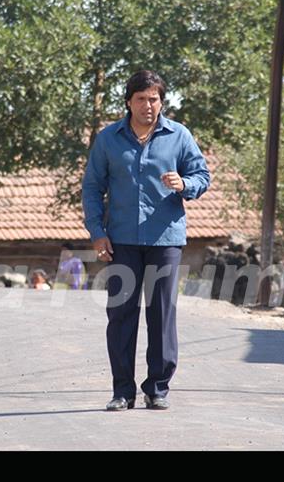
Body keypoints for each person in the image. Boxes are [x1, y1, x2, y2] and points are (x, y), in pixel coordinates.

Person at [82, 70, 211, 411]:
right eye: (141, 99)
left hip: (165, 239)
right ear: (128, 102)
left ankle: (158, 388)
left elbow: (202, 175)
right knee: (122, 315)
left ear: (161, 102)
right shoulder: (109, 139)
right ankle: (122, 391)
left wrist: (185, 184)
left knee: (161, 314)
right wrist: (97, 232)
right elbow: (93, 188)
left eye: (154, 99)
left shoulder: (179, 136)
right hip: (121, 241)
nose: (148, 106)